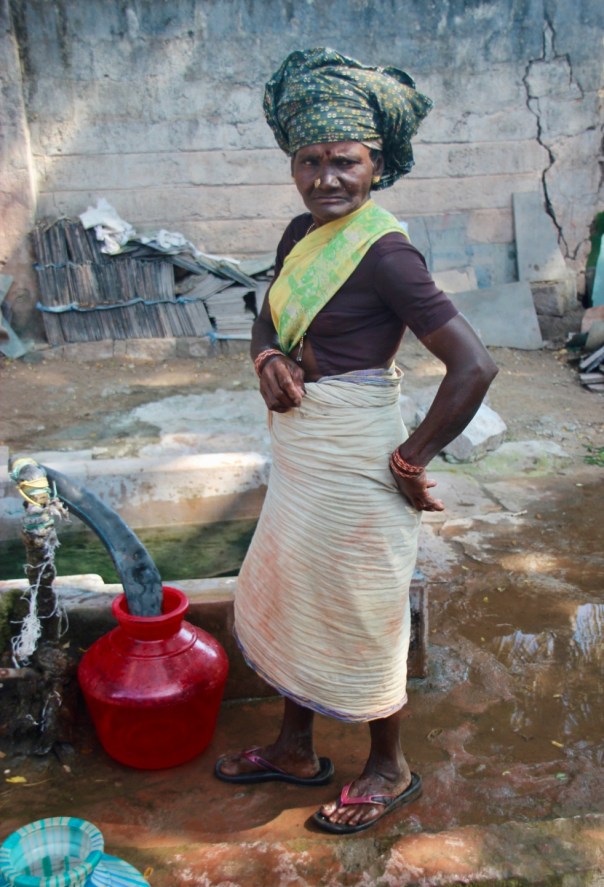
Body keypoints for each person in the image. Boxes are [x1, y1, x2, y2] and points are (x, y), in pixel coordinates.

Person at [214, 47, 498, 835]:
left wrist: (411, 458)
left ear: (377, 165)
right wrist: (268, 356)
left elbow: (475, 366)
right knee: (293, 590)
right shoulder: (301, 233)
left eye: (346, 161)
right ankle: (295, 748)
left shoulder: (384, 252)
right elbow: (268, 314)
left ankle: (388, 768)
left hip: (359, 458)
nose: (325, 179)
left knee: (363, 610)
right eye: (309, 162)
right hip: (303, 458)